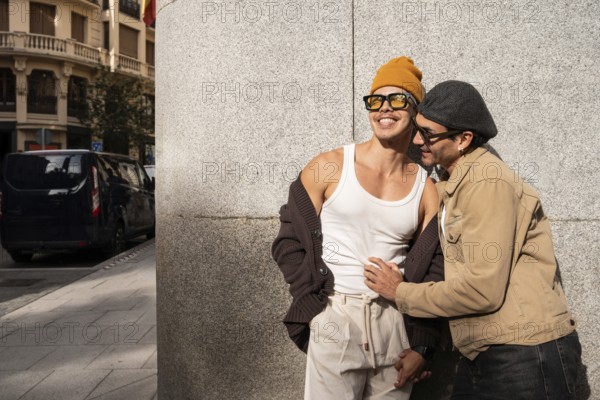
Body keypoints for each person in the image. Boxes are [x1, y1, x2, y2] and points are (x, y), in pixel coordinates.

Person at [364, 80, 582, 399]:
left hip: (525, 355)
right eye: (418, 129)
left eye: (428, 134)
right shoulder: (455, 184)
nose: (417, 140)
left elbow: (481, 291)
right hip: (486, 352)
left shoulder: (487, 184)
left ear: (464, 139)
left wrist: (400, 293)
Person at [272, 57, 445, 400]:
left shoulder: (426, 188)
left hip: (395, 324)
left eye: (397, 100)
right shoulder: (329, 166)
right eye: (375, 100)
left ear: (414, 111)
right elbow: (288, 242)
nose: (384, 109)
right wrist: (317, 310)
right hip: (336, 315)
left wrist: (423, 345)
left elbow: (434, 272)